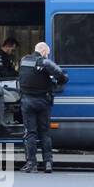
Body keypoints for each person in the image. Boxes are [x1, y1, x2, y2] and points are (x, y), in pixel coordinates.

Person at [17, 40, 67, 173]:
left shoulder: (24, 61)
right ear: (44, 51)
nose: (47, 56)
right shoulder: (44, 62)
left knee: (30, 133)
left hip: (27, 102)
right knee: (45, 133)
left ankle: (31, 164)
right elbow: (61, 75)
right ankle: (48, 163)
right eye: (47, 54)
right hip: (43, 102)